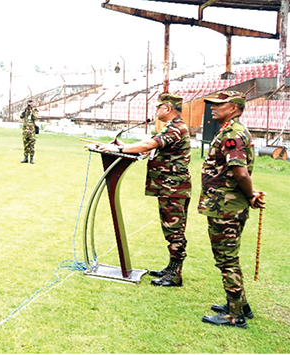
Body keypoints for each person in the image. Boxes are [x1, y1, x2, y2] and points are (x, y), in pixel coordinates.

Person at [99, 93, 191, 287]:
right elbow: (151, 149)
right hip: (169, 186)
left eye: (158, 107)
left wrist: (119, 151)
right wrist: (124, 147)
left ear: (167, 108)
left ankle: (175, 274)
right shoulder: (171, 128)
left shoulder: (176, 128)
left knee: (174, 230)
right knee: (171, 228)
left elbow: (149, 144)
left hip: (173, 188)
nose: (156, 111)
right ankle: (172, 268)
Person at [199, 91, 265, 329]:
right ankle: (240, 307)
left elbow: (240, 172)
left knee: (227, 260)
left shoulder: (232, 134)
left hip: (226, 208)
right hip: (225, 205)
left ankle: (233, 316)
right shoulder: (230, 131)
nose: (213, 108)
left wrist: (250, 196)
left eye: (219, 105)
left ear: (235, 108)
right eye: (212, 105)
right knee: (228, 258)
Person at [20, 99, 39, 164]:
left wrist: (31, 111)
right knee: (26, 145)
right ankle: (25, 158)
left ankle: (31, 159)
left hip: (32, 131)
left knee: (32, 145)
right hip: (25, 131)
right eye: (28, 104)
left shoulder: (34, 111)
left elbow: (36, 118)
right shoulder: (25, 111)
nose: (29, 105)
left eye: (30, 104)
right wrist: (25, 110)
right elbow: (21, 116)